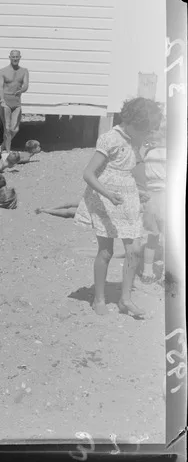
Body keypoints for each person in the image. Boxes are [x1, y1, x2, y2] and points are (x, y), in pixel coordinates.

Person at [74, 97, 162, 317]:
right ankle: (99, 298)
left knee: (133, 250)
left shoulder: (135, 140)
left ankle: (125, 300)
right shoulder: (109, 139)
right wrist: (108, 194)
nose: (144, 135)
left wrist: (138, 192)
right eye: (143, 130)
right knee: (106, 251)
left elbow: (128, 170)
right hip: (106, 200)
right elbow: (88, 173)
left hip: (127, 199)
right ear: (132, 122)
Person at [139, 121, 166, 284]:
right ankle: (165, 276)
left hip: (150, 196)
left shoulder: (148, 155)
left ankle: (147, 272)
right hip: (166, 195)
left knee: (152, 236)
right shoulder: (171, 154)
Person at [0, 50, 29, 152]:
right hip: (6, 101)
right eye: (13, 57)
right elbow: (0, 87)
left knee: (15, 129)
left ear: (20, 57)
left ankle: (2, 146)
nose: (15, 59)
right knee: (7, 128)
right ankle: (7, 152)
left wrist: (22, 90)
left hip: (17, 103)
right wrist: (1, 100)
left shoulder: (24, 71)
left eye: (17, 57)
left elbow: (26, 85)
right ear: (10, 57)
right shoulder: (2, 71)